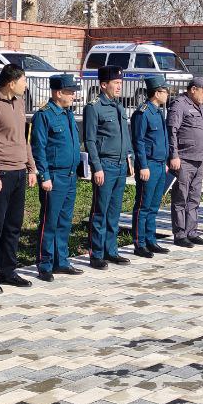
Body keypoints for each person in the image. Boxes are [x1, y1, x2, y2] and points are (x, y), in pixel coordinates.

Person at [0, 63, 37, 293]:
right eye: (24, 81)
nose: (26, 85)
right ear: (11, 83)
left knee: (13, 225)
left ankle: (8, 271)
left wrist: (31, 167)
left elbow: (24, 138)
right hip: (1, 173)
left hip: (19, 171)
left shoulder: (19, 102)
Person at [31, 74, 84, 280]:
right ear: (59, 93)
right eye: (70, 92)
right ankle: (45, 263)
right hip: (54, 176)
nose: (73, 96)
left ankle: (61, 261)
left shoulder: (67, 114)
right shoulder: (44, 115)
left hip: (69, 176)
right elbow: (39, 147)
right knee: (49, 221)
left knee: (64, 221)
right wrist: (44, 175)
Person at [84, 67, 132, 269]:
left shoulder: (119, 106)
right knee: (100, 211)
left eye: (121, 83)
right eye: (116, 83)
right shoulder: (94, 107)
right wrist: (96, 167)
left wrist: (129, 158)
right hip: (105, 165)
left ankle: (111, 251)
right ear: (104, 85)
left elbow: (125, 136)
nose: (120, 86)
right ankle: (96, 253)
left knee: (114, 212)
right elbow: (90, 140)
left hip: (120, 165)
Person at [130, 75, 171, 258]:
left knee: (154, 205)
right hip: (149, 165)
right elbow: (138, 141)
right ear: (156, 93)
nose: (167, 94)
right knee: (143, 205)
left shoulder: (158, 112)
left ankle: (150, 240)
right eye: (165, 91)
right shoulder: (143, 112)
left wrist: (166, 161)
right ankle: (139, 243)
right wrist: (143, 165)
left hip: (160, 164)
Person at [167, 77, 203, 248]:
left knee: (194, 198)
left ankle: (191, 231)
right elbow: (172, 131)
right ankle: (180, 234)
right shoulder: (180, 105)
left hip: (199, 159)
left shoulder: (201, 107)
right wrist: (174, 155)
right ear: (193, 89)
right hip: (184, 159)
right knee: (180, 198)